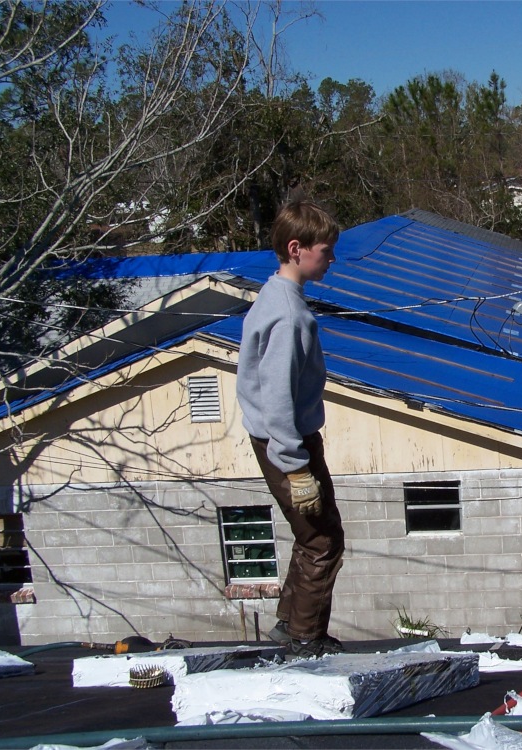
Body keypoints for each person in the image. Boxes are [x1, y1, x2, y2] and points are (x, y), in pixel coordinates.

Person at [236, 199, 345, 658]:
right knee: (324, 540)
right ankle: (305, 639)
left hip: (283, 441)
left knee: (311, 535)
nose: (332, 258)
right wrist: (296, 467)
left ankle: (290, 625)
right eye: (326, 249)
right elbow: (277, 396)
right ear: (297, 249)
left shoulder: (273, 296)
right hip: (288, 444)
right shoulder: (288, 315)